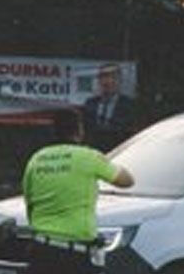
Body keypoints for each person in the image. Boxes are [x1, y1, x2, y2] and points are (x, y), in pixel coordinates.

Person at [21, 107, 134, 274]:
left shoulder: (36, 159)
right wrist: (105, 162)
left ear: (54, 131)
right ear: (79, 130)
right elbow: (127, 181)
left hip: (40, 251)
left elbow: (30, 204)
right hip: (74, 256)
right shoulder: (88, 157)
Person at [82, 63, 135, 151]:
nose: (108, 81)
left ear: (119, 80)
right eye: (104, 77)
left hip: (119, 151)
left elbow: (127, 131)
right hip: (94, 152)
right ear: (99, 81)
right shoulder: (90, 104)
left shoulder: (128, 105)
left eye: (113, 77)